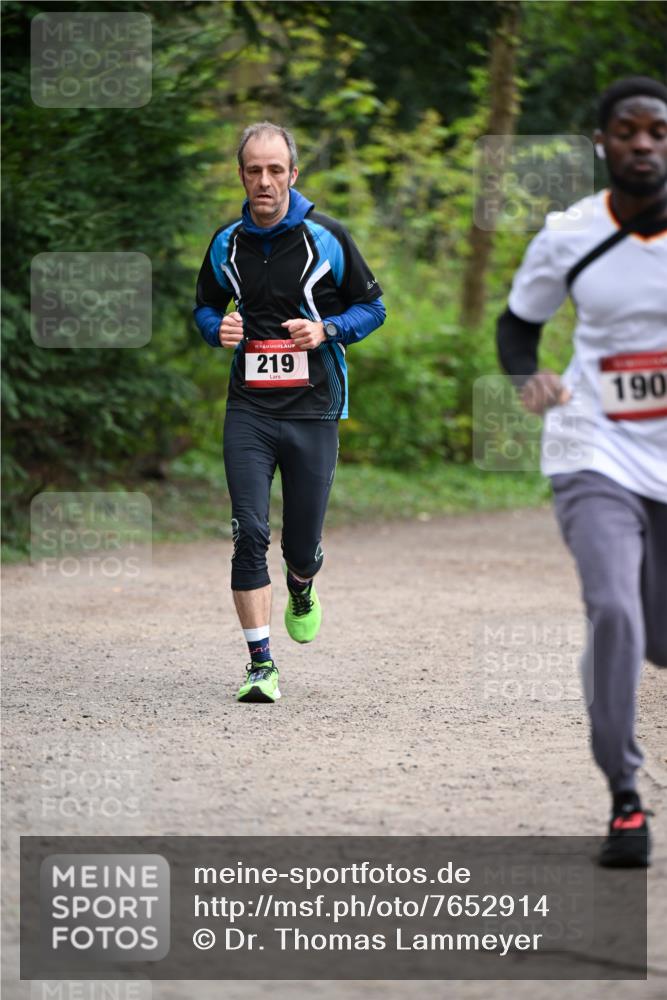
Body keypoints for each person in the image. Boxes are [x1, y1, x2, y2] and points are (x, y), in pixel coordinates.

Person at [497, 76, 667, 867]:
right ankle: (624, 799)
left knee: (655, 633)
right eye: (627, 131)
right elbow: (516, 324)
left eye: (657, 132)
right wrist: (527, 377)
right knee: (613, 610)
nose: (643, 143)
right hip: (592, 443)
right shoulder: (567, 232)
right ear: (602, 144)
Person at [194, 122, 386, 704]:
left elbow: (373, 307)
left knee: (299, 547)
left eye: (276, 169)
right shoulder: (226, 243)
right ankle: (260, 663)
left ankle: (303, 583)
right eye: (254, 170)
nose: (265, 181)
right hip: (248, 409)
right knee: (249, 532)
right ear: (242, 175)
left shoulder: (327, 236)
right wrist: (216, 328)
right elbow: (204, 307)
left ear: (293, 174)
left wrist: (326, 329)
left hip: (314, 409)